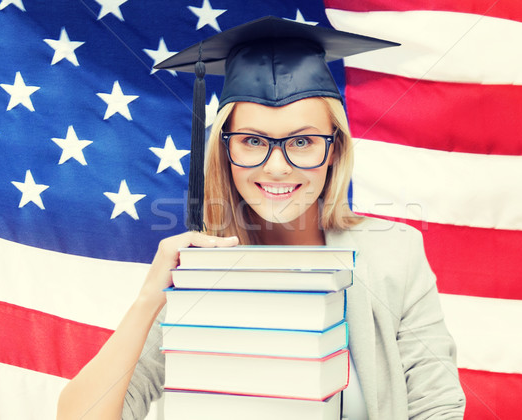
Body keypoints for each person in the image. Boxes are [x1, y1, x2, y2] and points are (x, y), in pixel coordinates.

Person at [57, 17, 465, 420]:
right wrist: (150, 299)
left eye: (302, 142)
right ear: (224, 150)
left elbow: (437, 408)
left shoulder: (394, 253)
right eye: (253, 141)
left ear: (336, 150)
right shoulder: (197, 272)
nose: (276, 167)